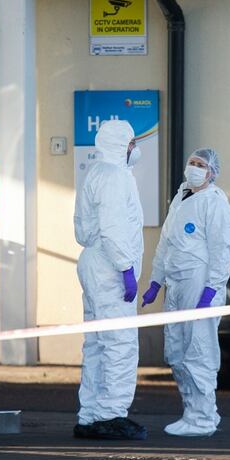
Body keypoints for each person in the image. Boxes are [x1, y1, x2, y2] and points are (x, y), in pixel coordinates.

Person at [141, 147, 230, 437]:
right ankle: (190, 412)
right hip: (177, 285)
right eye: (192, 162)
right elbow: (165, 244)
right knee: (177, 350)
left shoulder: (215, 204)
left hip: (199, 285)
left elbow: (222, 251)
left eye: (201, 164)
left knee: (199, 352)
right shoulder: (182, 198)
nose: (194, 168)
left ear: (212, 173)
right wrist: (156, 281)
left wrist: (212, 289)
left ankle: (204, 418)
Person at [72, 119, 147, 440]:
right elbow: (114, 227)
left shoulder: (97, 172)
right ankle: (111, 414)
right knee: (119, 344)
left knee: (97, 345)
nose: (135, 149)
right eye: (131, 143)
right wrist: (126, 269)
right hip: (110, 268)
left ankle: (89, 415)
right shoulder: (116, 178)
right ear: (122, 145)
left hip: (93, 263)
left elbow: (85, 227)